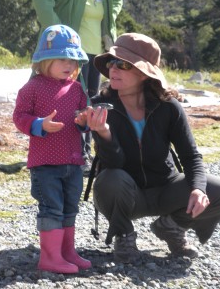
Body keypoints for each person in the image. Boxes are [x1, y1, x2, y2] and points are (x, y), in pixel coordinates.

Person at [79, 32, 220, 264]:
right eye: (111, 62)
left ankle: (172, 228)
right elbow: (113, 166)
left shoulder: (169, 107)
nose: (113, 69)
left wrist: (198, 190)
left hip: (166, 189)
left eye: (123, 64)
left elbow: (190, 155)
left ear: (144, 73)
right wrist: (103, 133)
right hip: (126, 194)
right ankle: (123, 236)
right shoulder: (100, 107)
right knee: (110, 179)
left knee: (212, 189)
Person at [13, 24, 92, 273]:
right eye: (60, 58)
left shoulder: (77, 88)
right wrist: (39, 124)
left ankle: (66, 252)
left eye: (72, 58)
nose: (67, 64)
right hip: (45, 163)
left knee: (71, 206)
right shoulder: (32, 88)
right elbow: (19, 117)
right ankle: (49, 257)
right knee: (51, 207)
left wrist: (83, 121)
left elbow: (82, 119)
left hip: (73, 161)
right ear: (44, 60)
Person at [32, 0, 123, 175]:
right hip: (71, 56)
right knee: (72, 103)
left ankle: (87, 154)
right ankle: (74, 154)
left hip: (97, 55)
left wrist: (109, 32)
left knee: (91, 103)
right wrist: (56, 33)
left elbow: (117, 0)